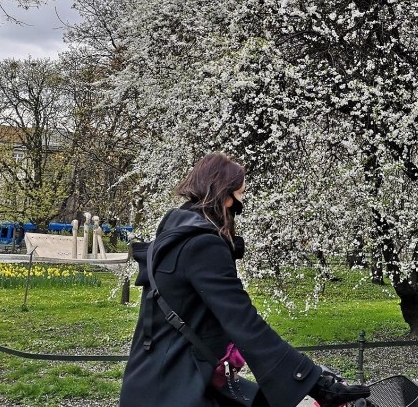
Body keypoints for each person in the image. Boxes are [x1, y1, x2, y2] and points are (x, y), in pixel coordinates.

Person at [119, 152, 370, 407]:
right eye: (240, 196)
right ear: (224, 196)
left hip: (150, 381)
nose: (240, 205)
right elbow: (243, 321)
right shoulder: (202, 245)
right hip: (176, 389)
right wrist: (314, 382)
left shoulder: (174, 234)